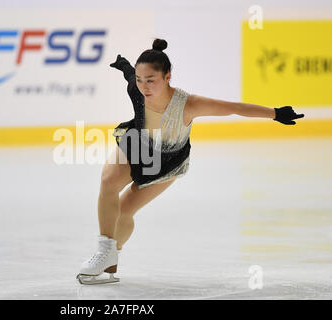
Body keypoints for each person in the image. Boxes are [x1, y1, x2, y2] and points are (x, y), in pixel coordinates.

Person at [76, 38, 305, 285]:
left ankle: (114, 251)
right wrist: (125, 67)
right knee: (108, 180)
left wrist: (275, 114)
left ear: (167, 77)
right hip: (138, 145)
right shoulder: (137, 88)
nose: (144, 87)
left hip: (167, 162)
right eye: (140, 81)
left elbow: (234, 108)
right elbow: (132, 76)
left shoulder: (188, 104)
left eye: (150, 80)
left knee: (124, 210)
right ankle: (103, 250)